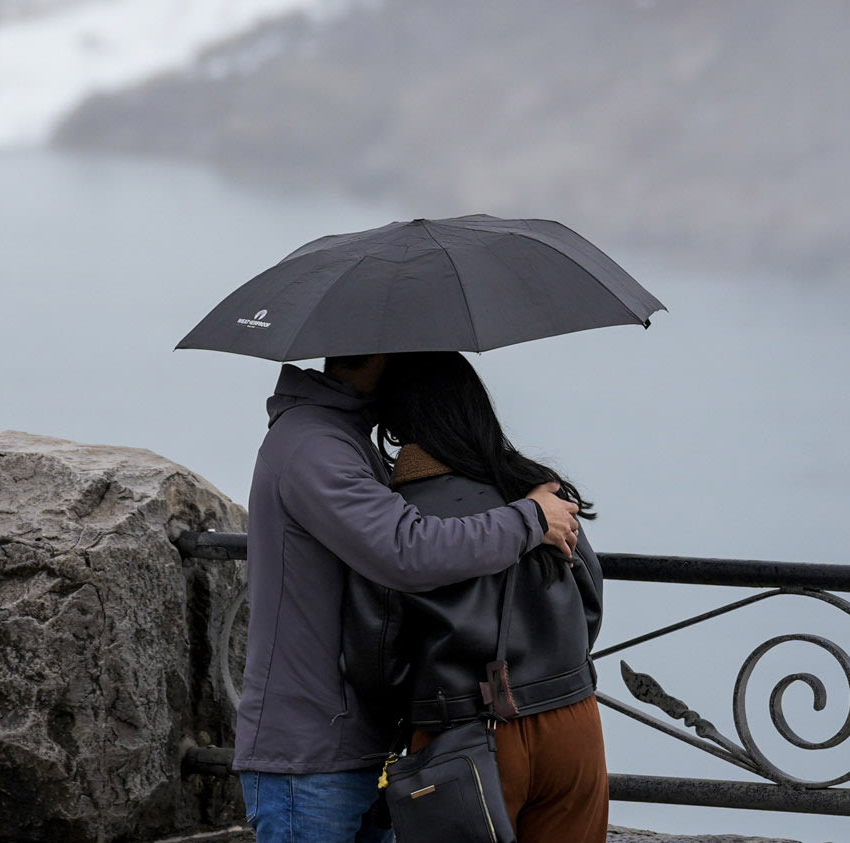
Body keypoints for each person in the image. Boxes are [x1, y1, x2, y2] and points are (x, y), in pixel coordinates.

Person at [235, 355, 581, 843]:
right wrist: (530, 518)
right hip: (310, 757)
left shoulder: (340, 436)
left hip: (354, 744)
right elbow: (406, 550)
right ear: (378, 353)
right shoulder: (314, 445)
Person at [355, 352, 608, 843]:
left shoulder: (394, 518)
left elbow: (376, 654)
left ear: (394, 424)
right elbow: (590, 600)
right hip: (571, 719)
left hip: (458, 734)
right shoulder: (536, 491)